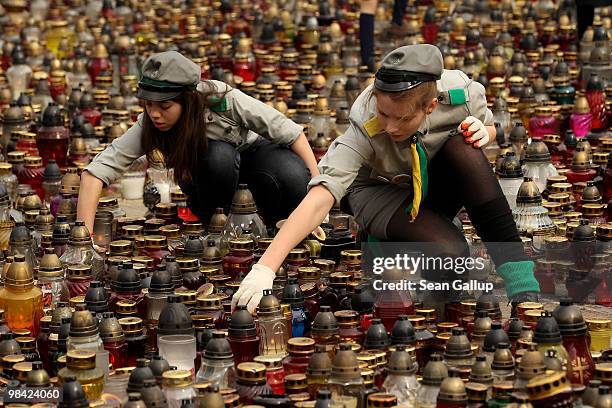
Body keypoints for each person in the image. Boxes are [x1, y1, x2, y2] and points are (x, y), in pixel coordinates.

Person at [233, 44, 540, 313]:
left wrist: (483, 132)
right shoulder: (365, 123)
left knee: (466, 148)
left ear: (431, 106)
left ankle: (521, 283)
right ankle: (393, 254)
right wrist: (265, 268)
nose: (391, 126)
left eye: (402, 118)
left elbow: (488, 128)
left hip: (428, 179)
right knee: (450, 251)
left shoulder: (460, 94)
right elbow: (321, 196)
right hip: (377, 190)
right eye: (384, 113)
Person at [77, 51, 319, 232]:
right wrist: (84, 238)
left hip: (254, 161)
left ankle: (282, 226)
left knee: (292, 173)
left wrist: (318, 192)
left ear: (189, 101)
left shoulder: (220, 98)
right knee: (218, 157)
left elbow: (291, 133)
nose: (154, 114)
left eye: (165, 106)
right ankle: (217, 229)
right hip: (211, 181)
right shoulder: (150, 123)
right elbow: (95, 173)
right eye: (148, 104)